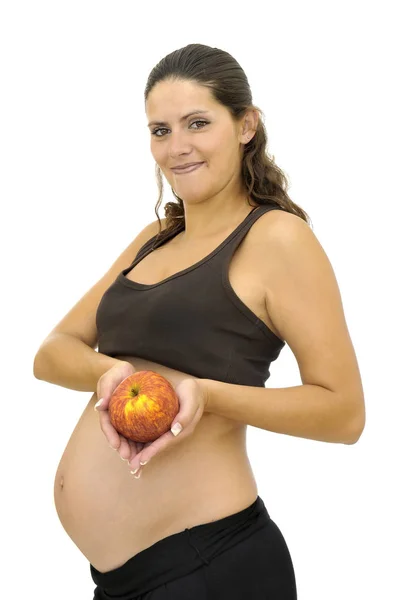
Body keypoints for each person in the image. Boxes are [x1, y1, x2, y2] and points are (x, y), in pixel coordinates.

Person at [33, 43, 366, 599]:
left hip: (210, 569)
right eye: (159, 130)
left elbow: (344, 413)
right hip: (124, 582)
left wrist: (206, 394)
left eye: (197, 123)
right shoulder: (155, 238)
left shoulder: (277, 239)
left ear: (246, 125)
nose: (177, 147)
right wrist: (109, 375)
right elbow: (51, 352)